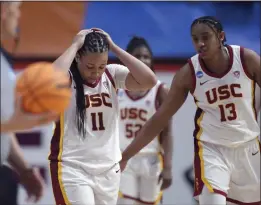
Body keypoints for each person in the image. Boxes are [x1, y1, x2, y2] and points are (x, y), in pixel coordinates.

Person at [120, 16, 260, 205]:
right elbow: (160, 119)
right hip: (212, 150)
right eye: (195, 39)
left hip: (248, 146)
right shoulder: (188, 73)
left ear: (221, 36)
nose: (200, 43)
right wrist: (126, 155)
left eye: (206, 37)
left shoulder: (247, 59)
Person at [48, 28, 157, 205]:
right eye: (90, 67)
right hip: (73, 168)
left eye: (101, 65)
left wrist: (113, 47)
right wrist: (75, 44)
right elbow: (47, 80)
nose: (96, 72)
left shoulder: (112, 74)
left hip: (108, 169)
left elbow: (149, 80)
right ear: (77, 58)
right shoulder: (67, 78)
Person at [0, 2, 55, 203]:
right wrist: (24, 121)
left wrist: (24, 170)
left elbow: (3, 129)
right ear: (3, 12)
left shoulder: (4, 60)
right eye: (16, 9)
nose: (19, 16)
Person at [117, 36, 173, 205]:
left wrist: (169, 167)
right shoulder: (116, 89)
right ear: (128, 59)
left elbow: (168, 132)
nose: (142, 60)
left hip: (151, 159)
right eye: (137, 56)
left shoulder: (161, 91)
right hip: (123, 158)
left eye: (146, 56)